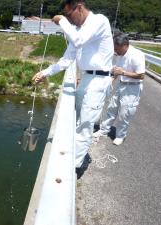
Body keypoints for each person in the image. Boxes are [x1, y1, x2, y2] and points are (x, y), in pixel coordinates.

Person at [32, 0, 114, 173]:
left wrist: (60, 20)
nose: (69, 20)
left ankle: (72, 169)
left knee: (85, 125)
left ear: (79, 7)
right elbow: (66, 61)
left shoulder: (99, 21)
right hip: (86, 79)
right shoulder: (78, 31)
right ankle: (73, 159)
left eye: (69, 15)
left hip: (99, 81)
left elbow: (78, 41)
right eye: (66, 17)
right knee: (78, 120)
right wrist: (44, 73)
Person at [93, 32, 145, 145]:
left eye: (117, 48)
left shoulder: (136, 55)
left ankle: (121, 135)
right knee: (112, 108)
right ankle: (103, 130)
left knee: (124, 113)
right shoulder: (121, 54)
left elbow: (141, 75)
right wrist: (112, 79)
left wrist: (123, 72)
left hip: (132, 88)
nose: (115, 51)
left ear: (124, 45)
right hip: (121, 84)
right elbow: (118, 69)